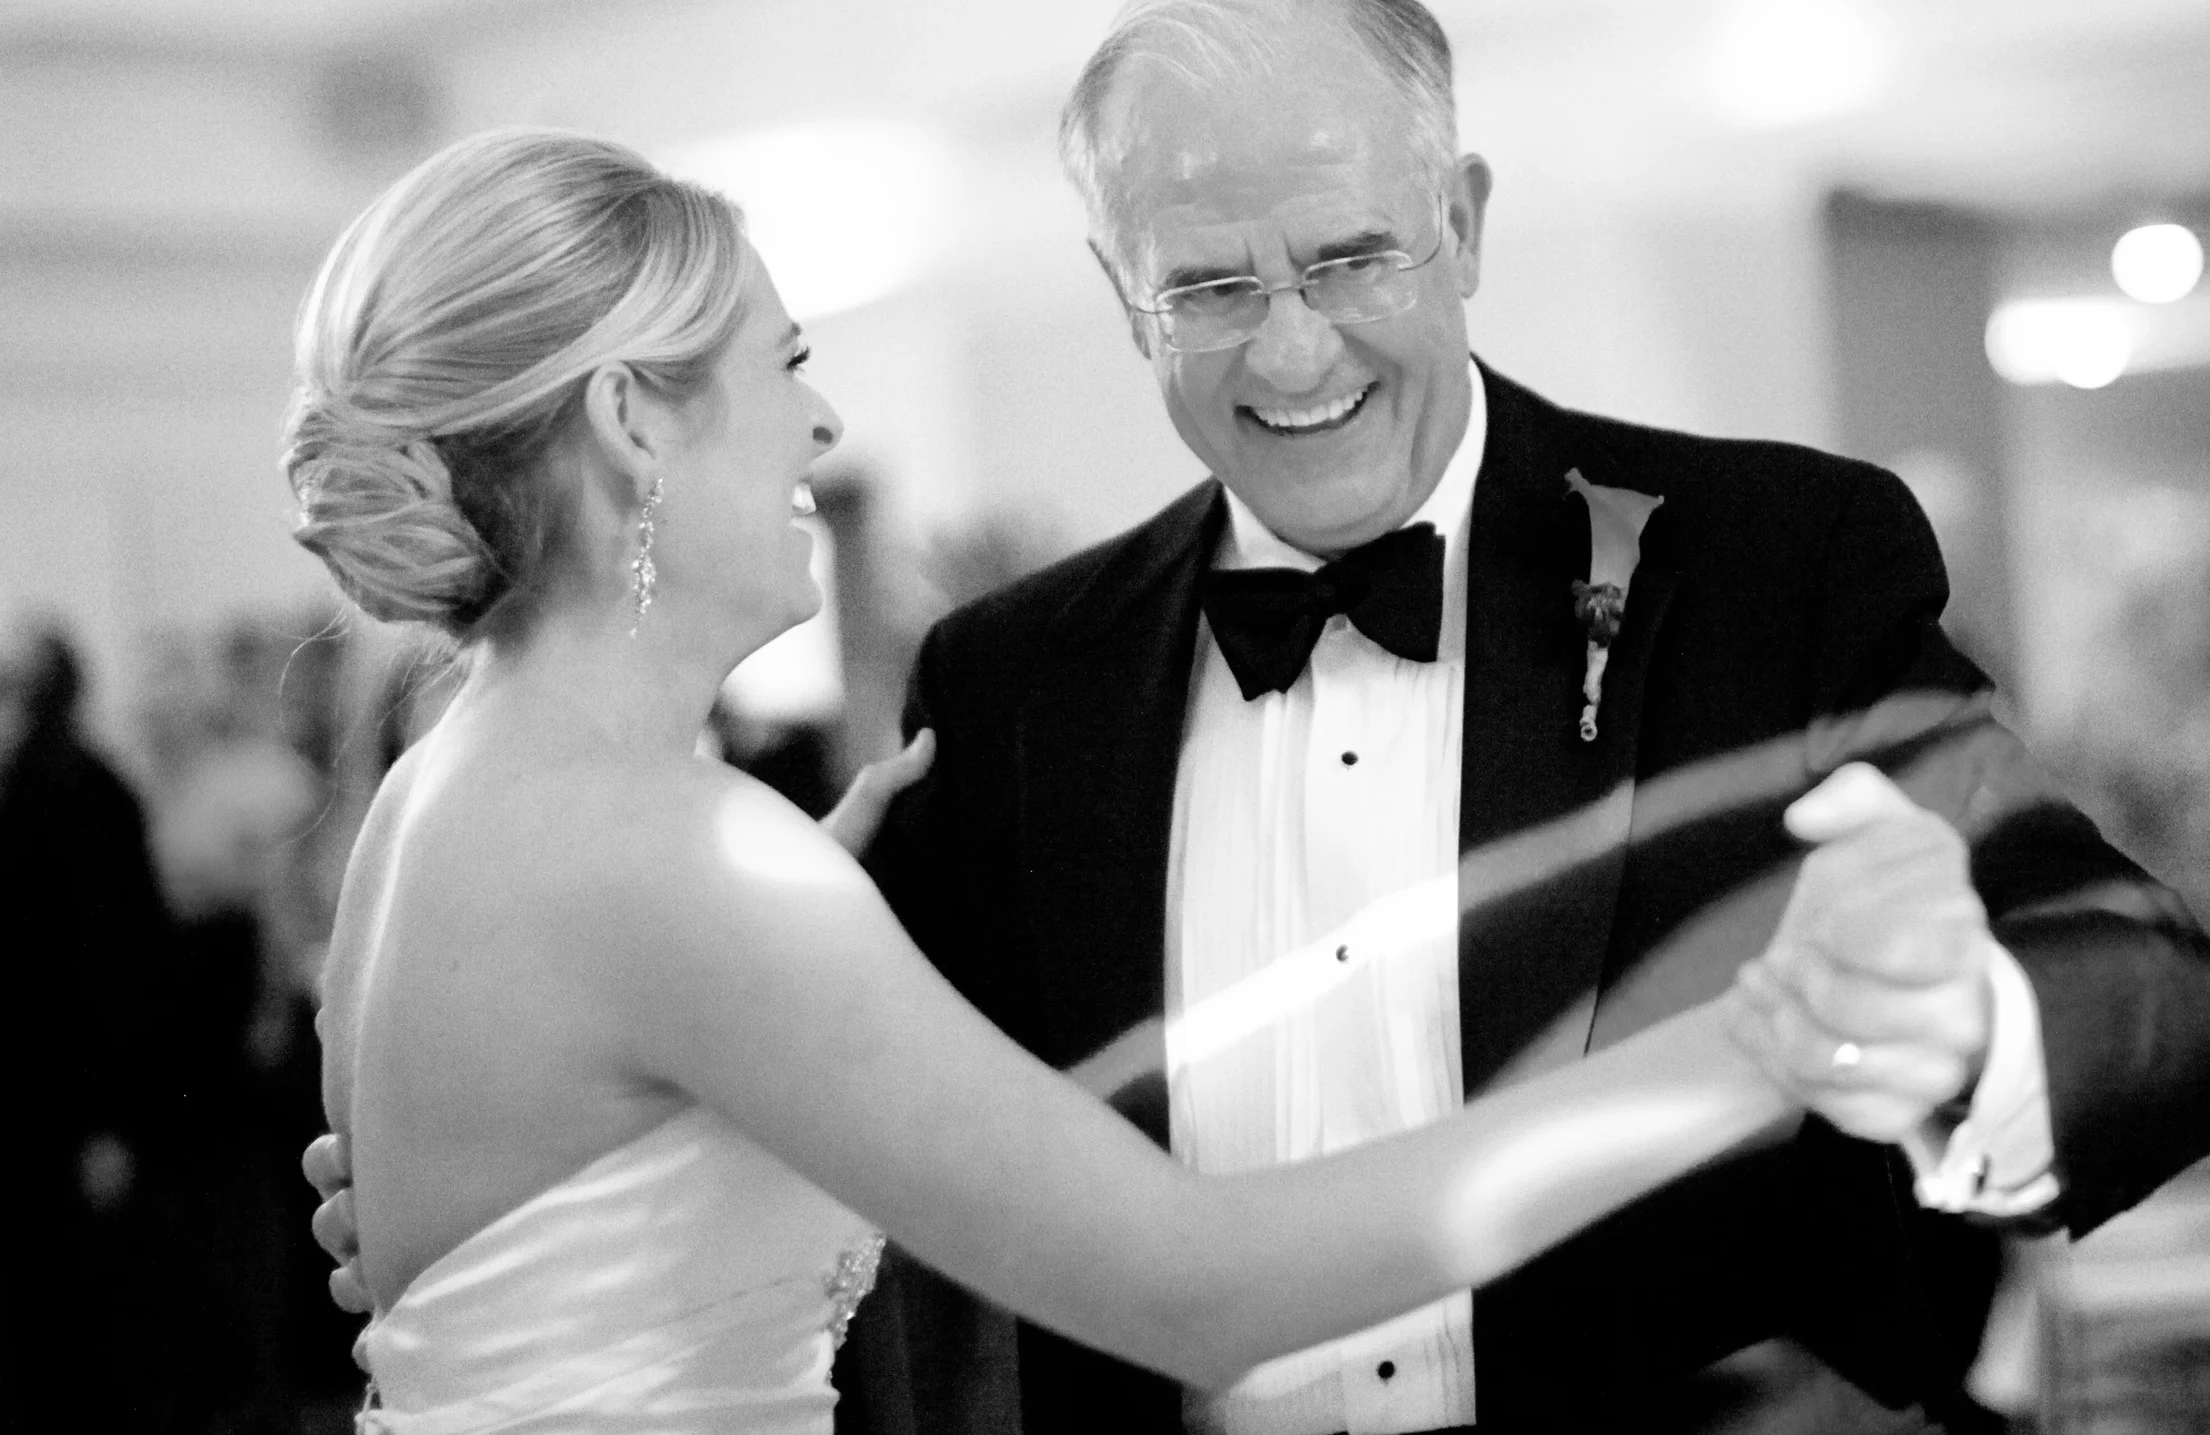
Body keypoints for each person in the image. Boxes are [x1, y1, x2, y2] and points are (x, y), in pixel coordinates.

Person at [278, 127, 1918, 1434]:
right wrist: (1755, 1035)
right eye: (782, 366)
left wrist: (796, 933)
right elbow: (1203, 1287)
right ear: (634, 416)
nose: (822, 423)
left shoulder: (452, 795)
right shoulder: (681, 862)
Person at [835, 0, 2210, 1434]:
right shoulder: (1010, 681)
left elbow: (2151, 981)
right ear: (1122, 294)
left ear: (1462, 222)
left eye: (1346, 256)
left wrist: (1969, 1020)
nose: (1292, 347)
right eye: (1206, 284)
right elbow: (900, 1178)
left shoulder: (1769, 563)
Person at [0, 616, 174, 1431]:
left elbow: (102, 963)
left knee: (77, 1315)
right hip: (71, 1099)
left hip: (62, 1101)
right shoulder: (84, 783)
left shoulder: (58, 790)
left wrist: (108, 1115)